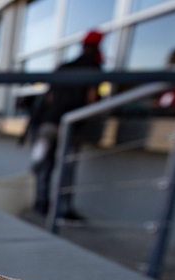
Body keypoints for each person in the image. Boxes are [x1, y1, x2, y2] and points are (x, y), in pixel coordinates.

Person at [28, 30, 104, 221]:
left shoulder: (63, 67)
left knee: (44, 166)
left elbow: (49, 97)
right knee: (67, 168)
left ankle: (41, 203)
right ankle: (63, 208)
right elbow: (92, 99)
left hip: (48, 123)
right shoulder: (94, 68)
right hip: (71, 126)